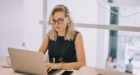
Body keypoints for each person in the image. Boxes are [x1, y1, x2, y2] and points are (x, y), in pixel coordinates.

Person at [39, 5, 86, 72]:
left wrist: (59, 65)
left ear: (68, 19)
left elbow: (82, 64)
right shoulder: (50, 34)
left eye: (60, 20)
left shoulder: (77, 36)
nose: (56, 24)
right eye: (54, 21)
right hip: (53, 73)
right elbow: (37, 57)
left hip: (70, 72)